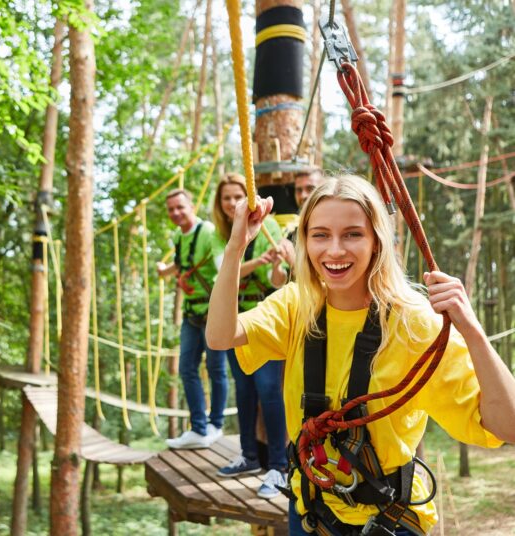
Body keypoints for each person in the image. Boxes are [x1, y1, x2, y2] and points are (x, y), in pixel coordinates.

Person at [207, 175, 515, 535]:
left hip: (389, 519)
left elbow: (507, 425)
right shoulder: (297, 306)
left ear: (376, 242)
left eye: (352, 234)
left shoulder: (413, 323)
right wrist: (236, 246)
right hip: (311, 512)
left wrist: (472, 331)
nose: (335, 250)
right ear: (304, 242)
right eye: (320, 235)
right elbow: (220, 336)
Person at [210, 173, 290, 499]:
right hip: (235, 320)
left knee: (269, 389)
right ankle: (249, 455)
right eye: (226, 198)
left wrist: (273, 265)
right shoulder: (221, 234)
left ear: (248, 199)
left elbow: (277, 281)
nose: (232, 203)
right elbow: (222, 268)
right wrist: (253, 257)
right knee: (244, 390)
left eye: (237, 197)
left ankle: (279, 465)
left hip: (263, 319)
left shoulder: (268, 228)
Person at [157, 188, 228, 449]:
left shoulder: (209, 232)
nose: (176, 213)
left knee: (215, 369)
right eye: (171, 209)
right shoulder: (179, 236)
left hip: (212, 312)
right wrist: (166, 271)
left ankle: (215, 425)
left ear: (191, 206)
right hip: (190, 313)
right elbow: (182, 263)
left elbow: (223, 268)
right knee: (187, 368)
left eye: (180, 207)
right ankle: (198, 427)